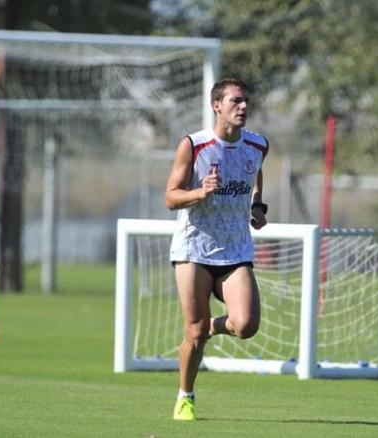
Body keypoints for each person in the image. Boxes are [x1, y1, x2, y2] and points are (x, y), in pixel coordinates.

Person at [164, 78, 269, 421]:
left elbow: (255, 175)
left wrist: (258, 206)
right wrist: (198, 193)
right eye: (236, 101)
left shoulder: (258, 145)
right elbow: (170, 197)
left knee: (246, 324)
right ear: (217, 106)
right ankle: (186, 396)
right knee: (193, 331)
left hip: (235, 248)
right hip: (194, 248)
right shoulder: (193, 145)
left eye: (246, 100)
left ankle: (213, 326)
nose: (243, 107)